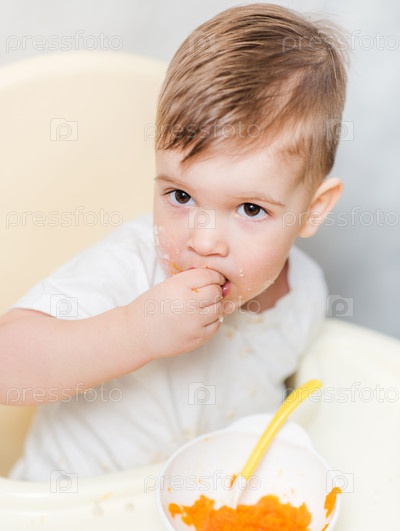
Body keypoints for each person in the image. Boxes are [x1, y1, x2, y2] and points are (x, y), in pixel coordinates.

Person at [0, 3, 348, 481]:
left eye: (250, 209)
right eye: (181, 196)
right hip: (65, 503)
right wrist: (132, 332)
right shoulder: (133, 266)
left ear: (313, 209)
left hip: (197, 508)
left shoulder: (305, 294)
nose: (202, 242)